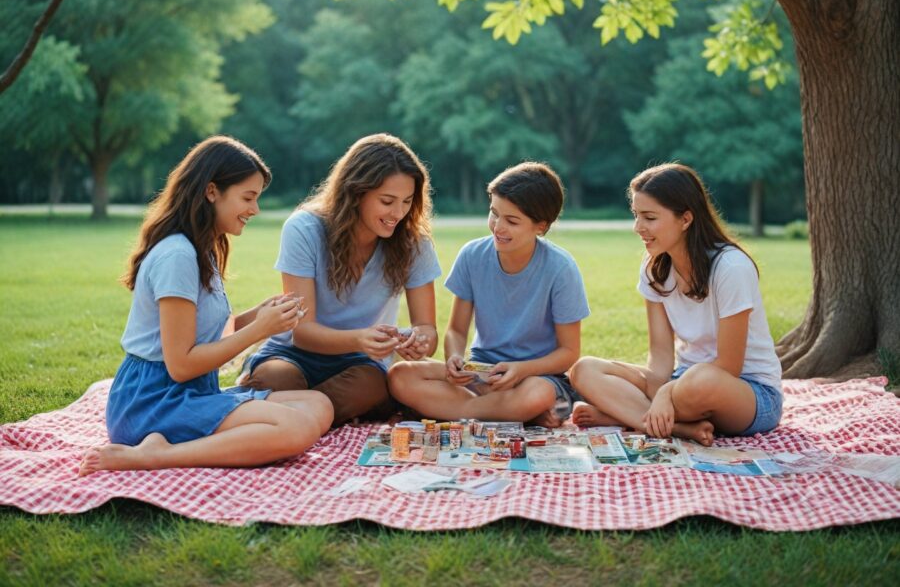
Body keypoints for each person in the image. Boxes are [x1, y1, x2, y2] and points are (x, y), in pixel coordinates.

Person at [80, 136, 333, 476]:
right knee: (297, 428)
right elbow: (181, 365)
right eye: (248, 197)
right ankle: (154, 455)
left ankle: (212, 437)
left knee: (319, 405)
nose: (255, 209)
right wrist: (262, 330)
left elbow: (206, 334)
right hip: (152, 403)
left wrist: (256, 315)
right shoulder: (177, 256)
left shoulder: (202, 249)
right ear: (212, 191)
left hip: (190, 392)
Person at [570, 163, 783, 446]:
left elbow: (729, 366)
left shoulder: (731, 267)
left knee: (702, 380)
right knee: (584, 370)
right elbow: (660, 359)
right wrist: (664, 387)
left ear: (685, 219)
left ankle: (626, 416)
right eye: (636, 215)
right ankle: (679, 428)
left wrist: (667, 394)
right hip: (681, 382)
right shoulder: (654, 268)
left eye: (649, 217)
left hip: (746, 392)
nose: (638, 228)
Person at [239, 134, 441, 426]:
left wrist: (420, 341)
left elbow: (428, 331)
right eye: (387, 201)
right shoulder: (305, 229)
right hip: (294, 353)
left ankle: (287, 417)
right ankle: (313, 415)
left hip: (360, 365)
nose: (398, 213)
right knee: (274, 377)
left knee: (369, 386)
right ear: (356, 193)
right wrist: (359, 338)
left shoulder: (413, 244)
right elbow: (303, 332)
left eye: (407, 202)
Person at [388, 162, 590, 425]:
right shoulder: (472, 255)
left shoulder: (561, 268)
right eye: (494, 213)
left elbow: (568, 352)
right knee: (400, 376)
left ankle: (462, 410)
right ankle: (510, 414)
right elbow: (456, 331)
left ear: (540, 226)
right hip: (480, 375)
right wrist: (455, 360)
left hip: (534, 376)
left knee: (536, 395)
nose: (498, 227)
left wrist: (521, 370)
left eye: (512, 221)